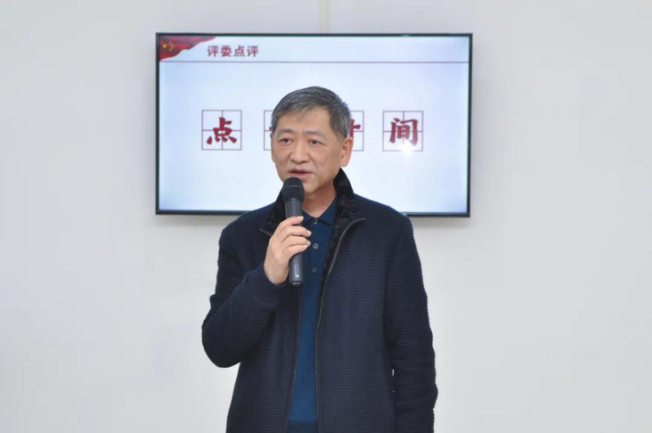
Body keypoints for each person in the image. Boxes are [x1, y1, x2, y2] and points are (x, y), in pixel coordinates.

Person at [202, 86, 437, 433]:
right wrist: (265, 278)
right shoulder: (243, 235)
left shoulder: (387, 232)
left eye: (314, 141)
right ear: (271, 147)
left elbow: (413, 354)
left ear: (344, 150)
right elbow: (220, 349)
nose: (297, 155)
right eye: (285, 140)